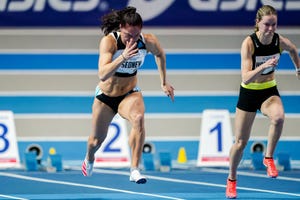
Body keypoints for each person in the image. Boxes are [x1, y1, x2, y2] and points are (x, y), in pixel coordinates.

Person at [81, 6, 174, 184]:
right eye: (127, 36)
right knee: (95, 141)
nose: (131, 40)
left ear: (141, 30)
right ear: (121, 28)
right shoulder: (110, 42)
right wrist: (123, 56)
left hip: (129, 94)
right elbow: (102, 74)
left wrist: (163, 82)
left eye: (135, 35)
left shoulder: (148, 41)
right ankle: (89, 158)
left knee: (138, 118)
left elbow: (160, 54)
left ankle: (135, 169)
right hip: (106, 97)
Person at [226, 5, 300, 199]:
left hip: (268, 91)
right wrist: (265, 65)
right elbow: (246, 78)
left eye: (274, 24)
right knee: (240, 143)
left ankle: (268, 158)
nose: (270, 29)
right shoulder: (249, 43)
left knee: (279, 117)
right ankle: (232, 179)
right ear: (257, 23)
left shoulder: (279, 41)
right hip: (249, 93)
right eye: (267, 24)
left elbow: (293, 50)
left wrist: (298, 69)